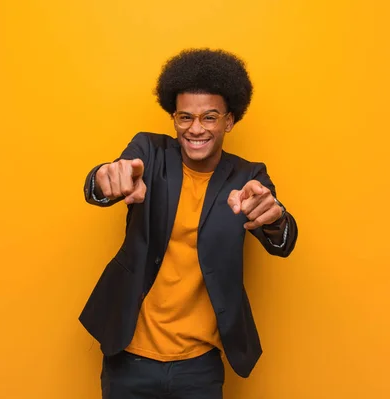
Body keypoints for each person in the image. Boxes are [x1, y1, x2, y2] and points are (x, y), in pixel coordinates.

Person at [80, 48, 298, 399]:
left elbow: (282, 240)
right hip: (128, 357)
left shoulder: (247, 177)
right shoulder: (149, 152)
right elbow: (104, 182)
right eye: (185, 118)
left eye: (209, 118)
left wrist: (272, 217)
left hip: (200, 365)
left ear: (229, 121)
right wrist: (107, 178)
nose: (196, 129)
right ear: (174, 118)